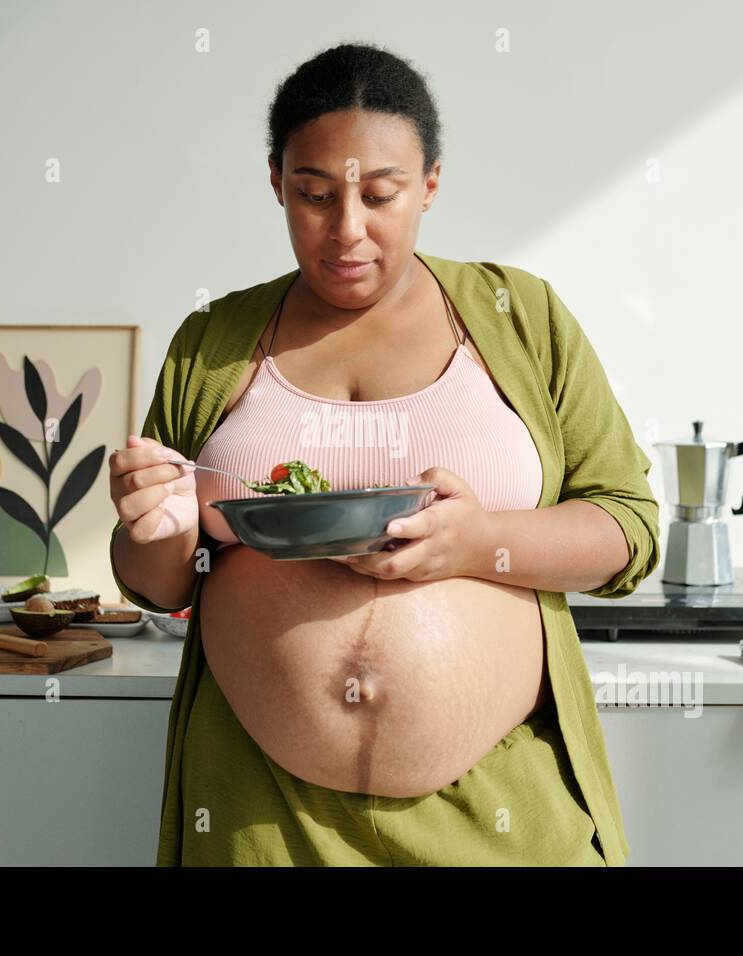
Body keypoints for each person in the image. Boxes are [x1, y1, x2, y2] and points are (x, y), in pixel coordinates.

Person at [109, 42, 659, 866]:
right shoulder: (213, 341)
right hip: (264, 817)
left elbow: (628, 529)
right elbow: (156, 583)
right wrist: (151, 527)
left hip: (497, 812)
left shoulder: (524, 318)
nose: (347, 230)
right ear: (276, 182)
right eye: (314, 195)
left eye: (381, 194)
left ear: (430, 184)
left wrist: (479, 543)